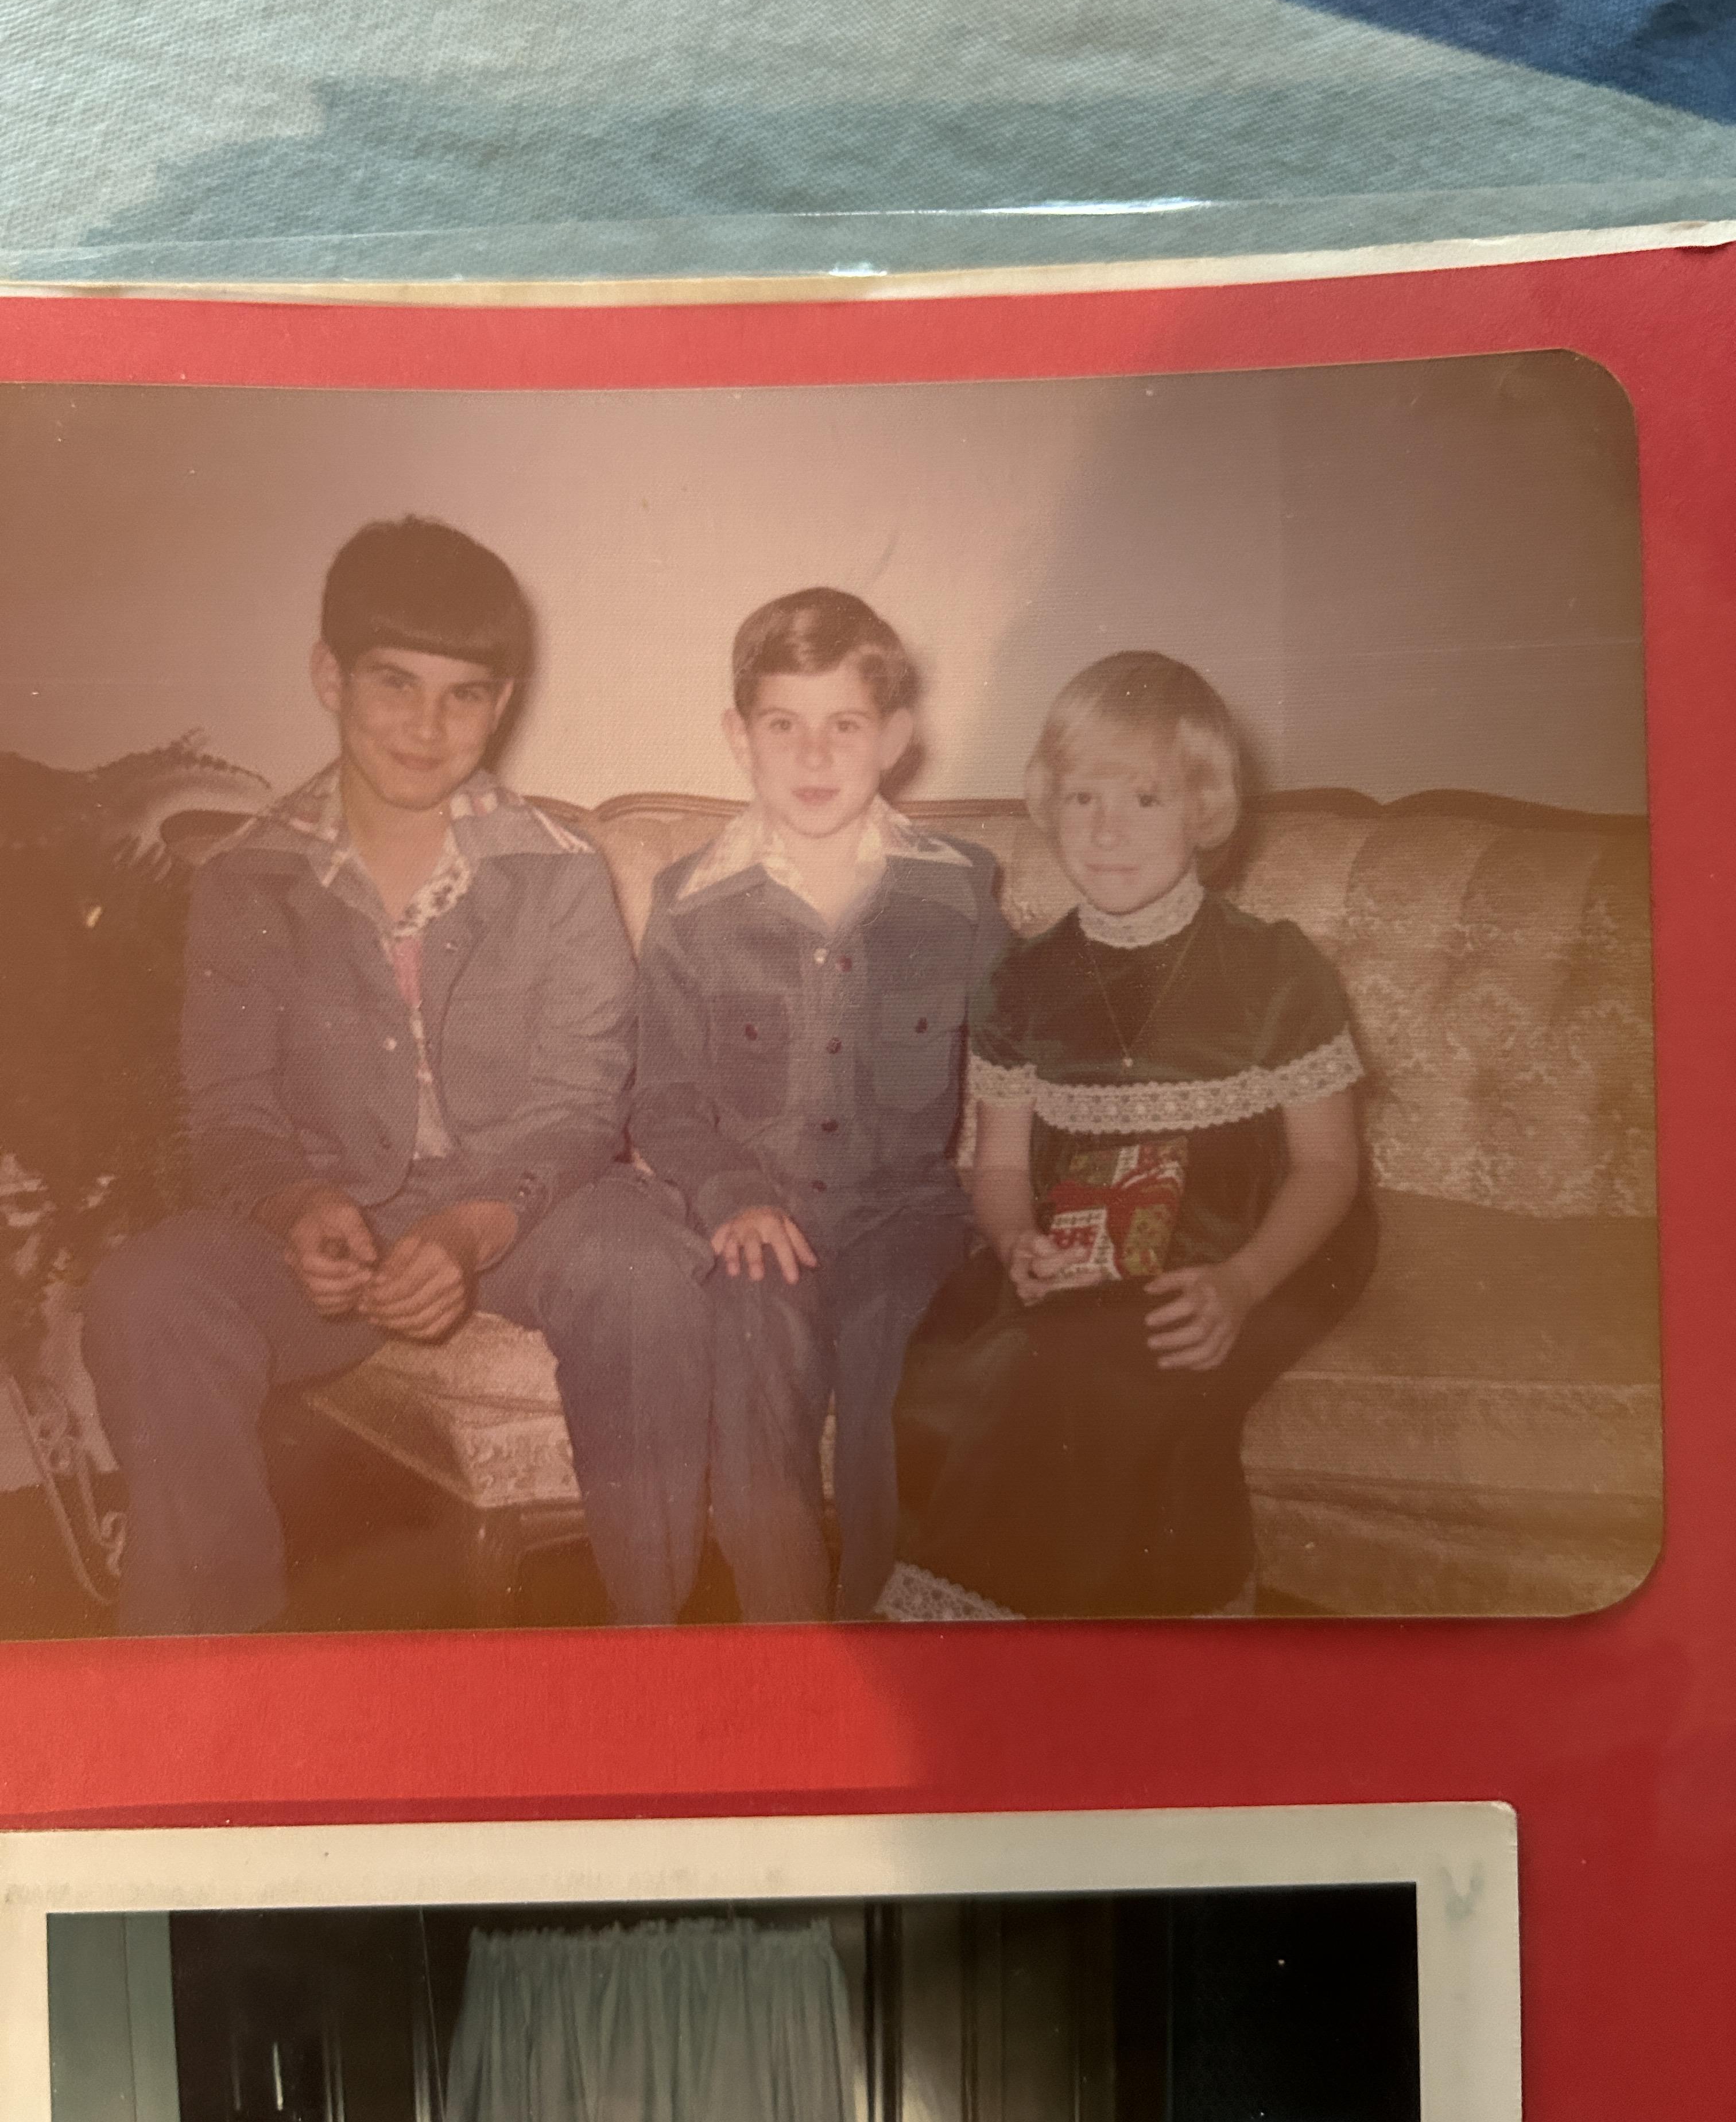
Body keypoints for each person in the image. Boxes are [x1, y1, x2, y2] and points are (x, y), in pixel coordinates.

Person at [82, 516, 700, 1634]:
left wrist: (469, 1230)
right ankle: (205, 1684)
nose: (428, 726)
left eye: (464, 694)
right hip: (330, 1218)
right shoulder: (247, 883)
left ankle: (653, 1649)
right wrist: (298, 1207)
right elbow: (229, 1112)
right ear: (330, 675)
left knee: (642, 1262)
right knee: (147, 1293)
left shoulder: (557, 877)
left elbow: (578, 1103)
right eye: (394, 684)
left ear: (501, 703)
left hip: (524, 1201)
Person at [893, 649, 1377, 1618]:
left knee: (1110, 1368)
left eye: (1145, 800)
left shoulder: (1276, 971)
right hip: (1089, 1229)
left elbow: (1329, 1168)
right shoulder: (1022, 984)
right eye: (1082, 799)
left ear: (1202, 809)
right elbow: (998, 1166)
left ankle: (1141, 1656)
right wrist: (1015, 1240)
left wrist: (1243, 1285)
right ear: (1048, 803)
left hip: (1265, 1230)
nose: (1107, 831)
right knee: (950, 1368)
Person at [627, 587, 1009, 1620]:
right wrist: (732, 1193)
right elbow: (659, 1100)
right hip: (764, 1212)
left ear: (894, 738)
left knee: (902, 1380)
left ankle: (893, 1640)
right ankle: (786, 1642)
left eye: (844, 726)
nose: (813, 757)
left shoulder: (960, 891)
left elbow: (1027, 1061)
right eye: (782, 726)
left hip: (906, 1217)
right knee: (754, 1353)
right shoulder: (690, 905)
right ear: (737, 737)